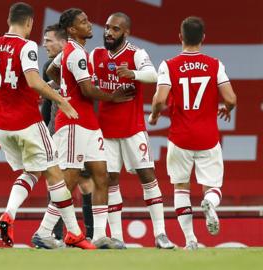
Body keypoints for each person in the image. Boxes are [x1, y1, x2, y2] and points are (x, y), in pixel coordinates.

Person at [0, 2, 94, 249]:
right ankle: (74, 232)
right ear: (30, 23)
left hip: (2, 126)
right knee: (55, 175)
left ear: (9, 20)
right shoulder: (26, 46)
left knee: (33, 172)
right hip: (27, 123)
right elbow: (34, 81)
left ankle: (9, 213)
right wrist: (61, 101)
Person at [34, 8, 135, 249]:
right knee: (69, 180)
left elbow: (50, 69)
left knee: (102, 176)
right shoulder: (76, 54)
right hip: (73, 125)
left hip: (88, 124)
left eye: (87, 20)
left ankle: (99, 235)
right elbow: (89, 90)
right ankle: (43, 231)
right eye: (83, 22)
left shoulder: (74, 51)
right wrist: (114, 95)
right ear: (71, 30)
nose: (89, 25)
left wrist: (64, 88)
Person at [149, 16, 237, 250]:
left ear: (180, 37)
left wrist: (155, 115)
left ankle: (191, 240)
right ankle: (208, 202)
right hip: (208, 138)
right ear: (203, 39)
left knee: (180, 187)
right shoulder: (215, 64)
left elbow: (159, 100)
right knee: (213, 187)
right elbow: (231, 98)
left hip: (180, 137)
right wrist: (226, 108)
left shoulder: (169, 65)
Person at [90, 12, 174, 249]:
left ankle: (160, 234)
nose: (108, 32)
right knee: (110, 180)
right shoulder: (96, 54)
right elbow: (85, 81)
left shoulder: (136, 53)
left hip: (133, 129)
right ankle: (117, 237)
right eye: (107, 27)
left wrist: (133, 74)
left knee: (147, 176)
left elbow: (153, 75)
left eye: (115, 29)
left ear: (125, 32)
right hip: (105, 130)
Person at [38, 23, 95, 243]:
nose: (45, 45)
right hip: (57, 129)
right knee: (56, 182)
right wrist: (44, 133)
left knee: (86, 183)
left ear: (63, 42)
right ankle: (56, 235)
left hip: (80, 127)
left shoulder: (80, 59)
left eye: (49, 41)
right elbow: (46, 104)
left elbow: (88, 97)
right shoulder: (48, 66)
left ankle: (88, 234)